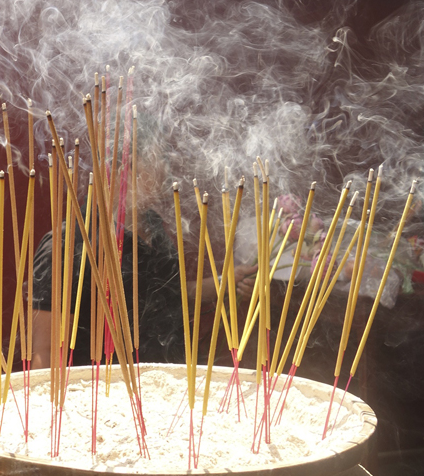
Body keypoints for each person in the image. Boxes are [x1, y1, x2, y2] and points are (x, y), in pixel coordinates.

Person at [30, 150, 255, 368]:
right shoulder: (70, 245)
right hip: (107, 393)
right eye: (160, 159)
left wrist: (224, 283)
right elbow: (46, 352)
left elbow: (169, 294)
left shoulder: (153, 227)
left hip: (165, 383)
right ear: (125, 167)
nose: (166, 169)